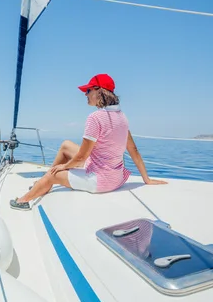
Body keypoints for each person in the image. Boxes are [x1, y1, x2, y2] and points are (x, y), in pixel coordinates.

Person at [10, 73, 167, 211]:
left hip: (100, 181)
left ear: (99, 91)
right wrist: (146, 179)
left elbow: (81, 158)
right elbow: (134, 151)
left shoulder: (95, 118)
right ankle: (43, 183)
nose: (85, 94)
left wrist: (61, 168)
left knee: (52, 174)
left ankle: (24, 200)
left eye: (88, 90)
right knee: (66, 145)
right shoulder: (122, 117)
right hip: (117, 178)